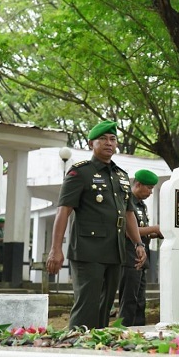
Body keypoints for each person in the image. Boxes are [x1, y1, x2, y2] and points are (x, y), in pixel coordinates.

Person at [46, 120, 147, 330]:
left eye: (112, 139)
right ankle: (76, 344)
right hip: (88, 251)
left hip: (115, 250)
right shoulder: (80, 172)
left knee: (105, 307)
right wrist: (55, 249)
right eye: (103, 139)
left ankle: (98, 346)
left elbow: (129, 213)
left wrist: (138, 243)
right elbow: (63, 211)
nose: (109, 143)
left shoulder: (121, 176)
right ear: (91, 143)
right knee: (87, 306)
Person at [118, 169, 163, 327]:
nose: (151, 192)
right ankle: (124, 330)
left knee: (140, 300)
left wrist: (155, 233)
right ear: (138, 184)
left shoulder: (141, 205)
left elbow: (141, 232)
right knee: (129, 300)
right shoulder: (126, 202)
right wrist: (154, 228)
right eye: (149, 188)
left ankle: (138, 329)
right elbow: (128, 231)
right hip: (129, 257)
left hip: (142, 258)